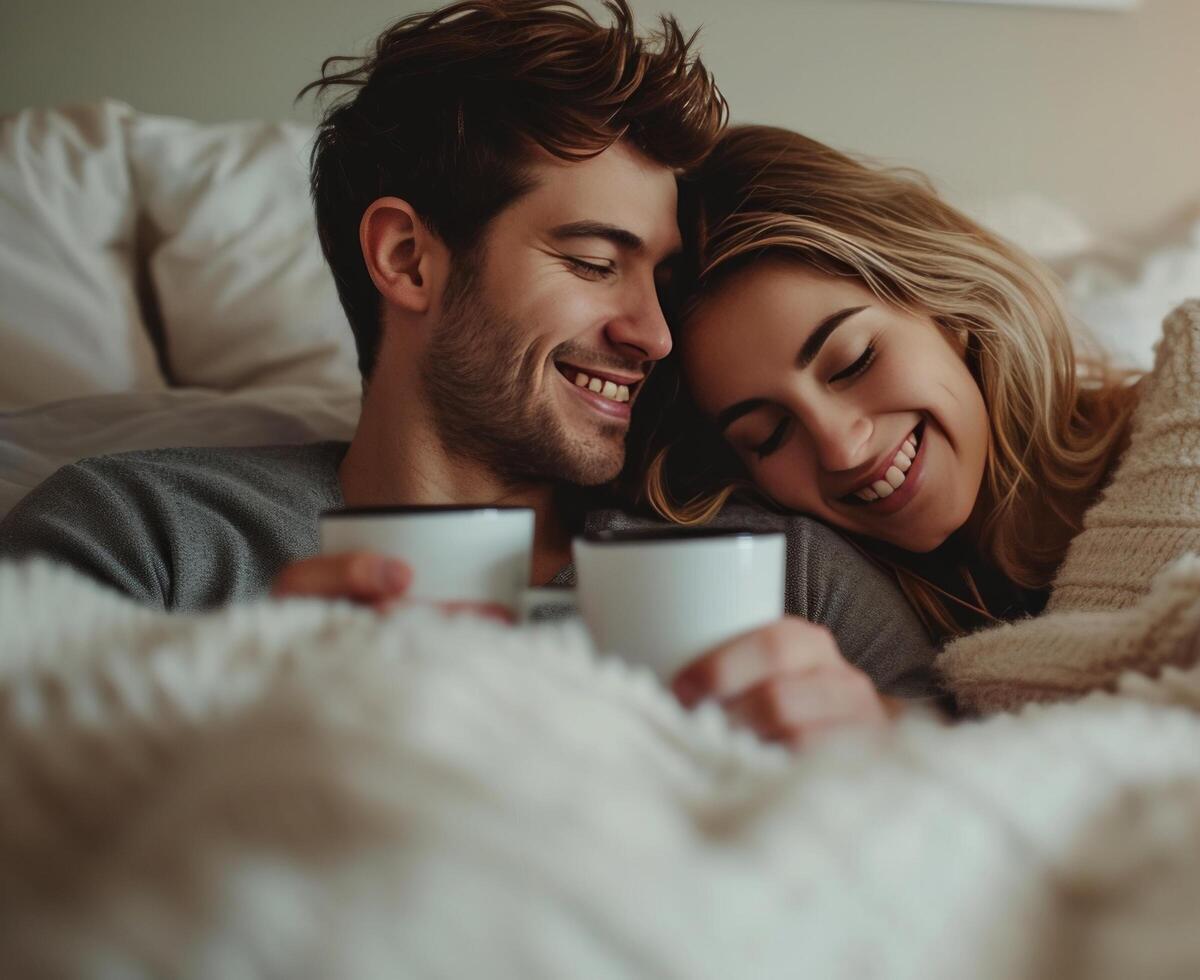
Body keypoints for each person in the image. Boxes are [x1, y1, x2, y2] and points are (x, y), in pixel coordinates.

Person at [0, 3, 933, 745]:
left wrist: (879, 754)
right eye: (593, 262)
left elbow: (983, 853)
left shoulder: (786, 578)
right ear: (408, 258)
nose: (652, 333)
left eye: (661, 280)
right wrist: (229, 723)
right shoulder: (144, 543)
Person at [637, 125, 1140, 642]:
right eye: (769, 434)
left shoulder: (1191, 413)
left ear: (944, 303)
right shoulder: (843, 614)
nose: (841, 449)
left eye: (854, 362)